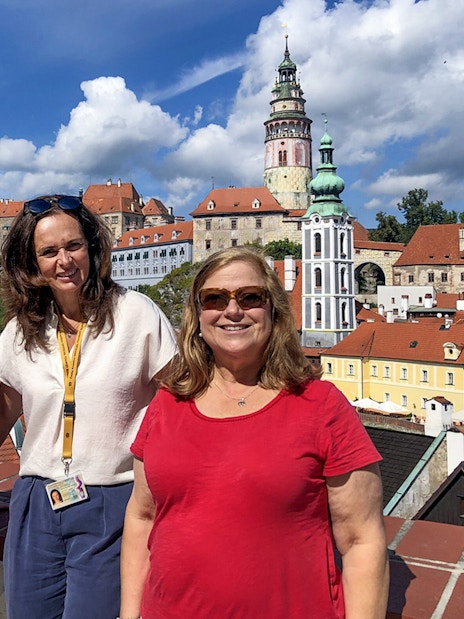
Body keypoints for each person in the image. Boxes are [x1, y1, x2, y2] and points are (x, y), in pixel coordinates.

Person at [120, 246, 389, 619]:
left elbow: (362, 542)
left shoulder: (321, 405)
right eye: (215, 299)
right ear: (197, 316)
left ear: (273, 311)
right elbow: (142, 517)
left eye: (250, 297)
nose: (232, 310)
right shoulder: (167, 403)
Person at [0, 194, 177, 619]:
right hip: (36, 499)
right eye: (49, 251)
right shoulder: (20, 331)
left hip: (113, 499)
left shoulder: (135, 314)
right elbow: (3, 411)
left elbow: (184, 404)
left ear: (93, 249)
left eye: (73, 246)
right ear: (32, 264)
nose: (64, 260)